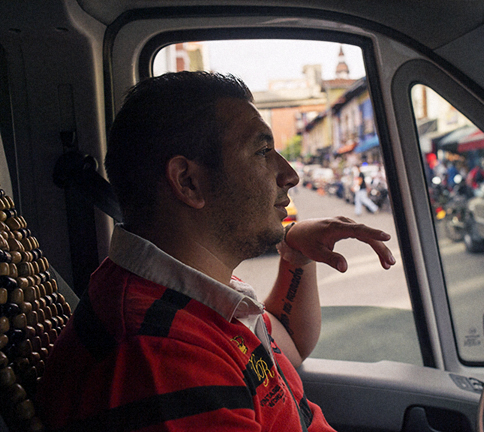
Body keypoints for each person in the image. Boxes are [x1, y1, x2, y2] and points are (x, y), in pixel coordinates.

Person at [35, 71, 396, 431]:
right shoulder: (160, 357)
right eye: (263, 151)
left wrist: (295, 254)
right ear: (188, 182)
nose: (289, 175)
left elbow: (289, 343)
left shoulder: (193, 286)